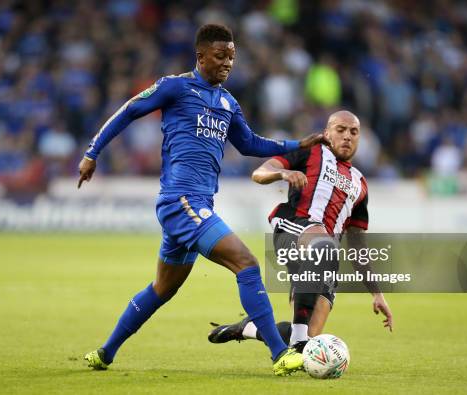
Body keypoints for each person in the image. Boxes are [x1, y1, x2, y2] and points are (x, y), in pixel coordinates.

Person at [77, 24, 326, 376]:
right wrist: (93, 152)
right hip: (181, 200)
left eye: (232, 57)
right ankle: (279, 354)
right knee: (247, 263)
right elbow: (129, 110)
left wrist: (296, 145)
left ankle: (105, 353)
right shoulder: (175, 87)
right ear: (201, 56)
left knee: (162, 288)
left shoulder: (227, 102)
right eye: (221, 56)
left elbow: (250, 143)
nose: (228, 63)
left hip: (194, 205)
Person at [208, 110, 393, 352]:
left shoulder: (361, 185)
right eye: (341, 130)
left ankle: (250, 328)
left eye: (354, 132)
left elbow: (358, 246)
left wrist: (377, 293)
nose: (347, 136)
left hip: (326, 257)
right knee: (325, 248)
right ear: (327, 133)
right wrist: (283, 173)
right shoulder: (311, 151)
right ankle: (296, 338)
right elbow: (259, 173)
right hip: (294, 229)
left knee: (308, 344)